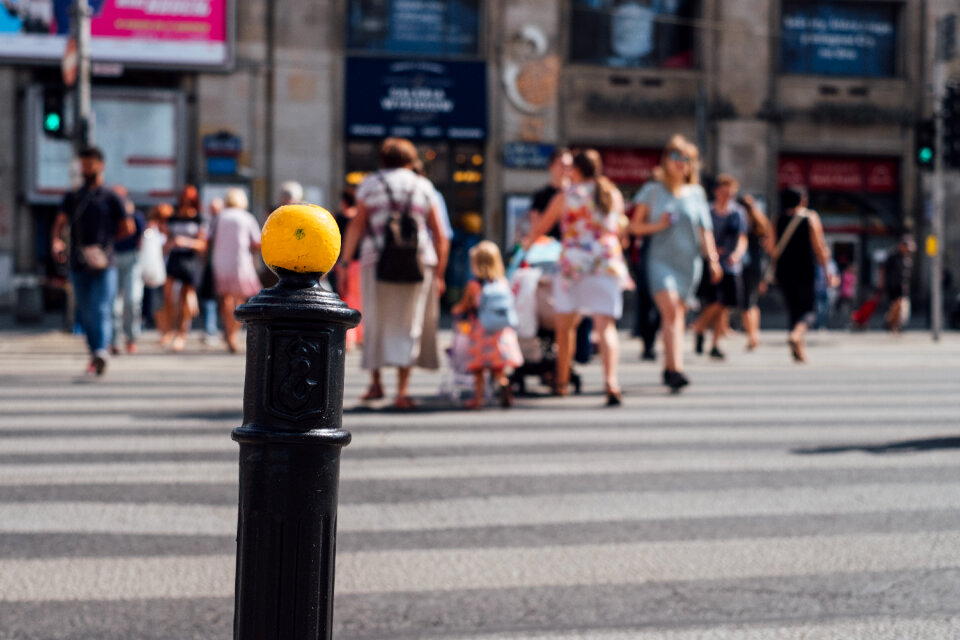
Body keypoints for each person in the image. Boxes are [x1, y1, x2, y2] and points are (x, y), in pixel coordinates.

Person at [341, 137, 449, 410]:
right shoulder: (423, 186)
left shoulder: (370, 184)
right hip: (418, 260)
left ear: (382, 159)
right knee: (409, 321)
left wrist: (343, 262)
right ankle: (402, 391)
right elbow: (440, 234)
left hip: (375, 260)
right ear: (411, 160)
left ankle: (375, 383)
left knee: (375, 320)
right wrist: (440, 274)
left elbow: (356, 225)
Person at [525, 148, 631, 405]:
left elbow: (541, 227)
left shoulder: (568, 195)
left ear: (577, 170)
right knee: (605, 327)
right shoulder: (612, 194)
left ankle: (561, 382)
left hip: (574, 265)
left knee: (565, 326)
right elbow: (621, 231)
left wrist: (526, 247)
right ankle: (611, 382)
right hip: (606, 262)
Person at [629, 135, 722, 391]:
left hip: (688, 261)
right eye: (675, 157)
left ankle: (670, 366)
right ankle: (676, 369)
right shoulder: (652, 190)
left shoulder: (697, 193)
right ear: (666, 160)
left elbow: (706, 230)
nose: (680, 163)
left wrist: (712, 260)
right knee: (670, 310)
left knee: (678, 315)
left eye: (686, 159)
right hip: (660, 261)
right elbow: (633, 226)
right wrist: (657, 225)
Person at [50, 146, 134, 375]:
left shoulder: (111, 196)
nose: (86, 169)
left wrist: (107, 245)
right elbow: (59, 223)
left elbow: (128, 227)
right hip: (79, 262)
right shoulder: (73, 196)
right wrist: (57, 242)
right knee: (86, 311)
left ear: (101, 166)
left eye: (90, 164)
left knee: (101, 307)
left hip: (105, 263)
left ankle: (100, 351)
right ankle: (94, 352)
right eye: (83, 164)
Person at [451, 241, 524, 409]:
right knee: (498, 368)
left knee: (478, 369)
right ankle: (504, 384)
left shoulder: (474, 286)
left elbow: (464, 306)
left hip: (480, 333)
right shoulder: (503, 283)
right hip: (500, 333)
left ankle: (478, 399)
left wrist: (456, 309)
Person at [772, 186, 838, 362]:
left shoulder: (777, 219)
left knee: (793, 310)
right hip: (805, 269)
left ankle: (798, 351)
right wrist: (827, 271)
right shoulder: (810, 218)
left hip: (783, 270)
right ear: (802, 200)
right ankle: (797, 335)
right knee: (809, 310)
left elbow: (771, 248)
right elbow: (820, 247)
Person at [691, 174, 748, 360]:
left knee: (725, 305)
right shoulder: (707, 210)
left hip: (730, 265)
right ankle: (700, 327)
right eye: (724, 192)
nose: (727, 196)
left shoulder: (738, 213)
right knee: (714, 301)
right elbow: (701, 234)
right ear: (716, 192)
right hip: (711, 263)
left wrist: (737, 254)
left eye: (730, 193)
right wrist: (710, 253)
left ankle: (714, 343)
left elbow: (742, 237)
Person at [210, 189, 262, 353]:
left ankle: (228, 331)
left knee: (225, 297)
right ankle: (234, 334)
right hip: (240, 261)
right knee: (239, 298)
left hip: (221, 261)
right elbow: (256, 242)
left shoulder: (220, 216)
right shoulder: (247, 218)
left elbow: (208, 237)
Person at [160, 185, 207, 352]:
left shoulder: (198, 219)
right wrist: (168, 246)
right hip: (174, 258)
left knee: (185, 297)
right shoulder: (173, 218)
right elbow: (166, 239)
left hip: (189, 258)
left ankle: (181, 332)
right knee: (168, 296)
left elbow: (203, 244)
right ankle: (168, 330)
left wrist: (186, 242)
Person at [109, 185, 145, 355]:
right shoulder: (108, 216)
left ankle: (131, 337)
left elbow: (140, 240)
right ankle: (114, 339)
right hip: (113, 258)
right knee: (113, 303)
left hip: (131, 258)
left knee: (131, 300)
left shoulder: (135, 216)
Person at [738, 194, 771, 350]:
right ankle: (755, 333)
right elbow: (767, 249)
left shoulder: (741, 223)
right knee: (753, 301)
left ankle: (751, 337)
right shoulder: (760, 223)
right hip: (758, 267)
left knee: (746, 303)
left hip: (745, 266)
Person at [334, 189, 363, 350]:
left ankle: (348, 337)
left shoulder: (340, 217)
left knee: (345, 298)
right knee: (359, 300)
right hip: (361, 264)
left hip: (346, 263)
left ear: (344, 201)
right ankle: (361, 335)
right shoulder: (360, 218)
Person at [528, 147, 572, 239]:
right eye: (561, 165)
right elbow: (535, 226)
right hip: (548, 248)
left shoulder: (577, 194)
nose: (565, 169)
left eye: (569, 166)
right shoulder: (541, 195)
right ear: (551, 166)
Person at [883, 235, 915, 333]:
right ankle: (890, 324)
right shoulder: (893, 256)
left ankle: (897, 324)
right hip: (893, 285)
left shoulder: (907, 258)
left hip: (903, 287)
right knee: (894, 306)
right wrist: (883, 283)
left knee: (903, 307)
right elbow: (884, 270)